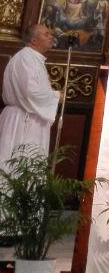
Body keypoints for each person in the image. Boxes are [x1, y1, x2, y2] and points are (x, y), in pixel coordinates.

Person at [0, 24, 60, 171]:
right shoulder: (26, 58)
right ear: (33, 40)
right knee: (17, 166)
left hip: (28, 116)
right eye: (46, 34)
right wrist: (57, 96)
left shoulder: (32, 58)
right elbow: (30, 92)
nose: (51, 37)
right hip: (23, 119)